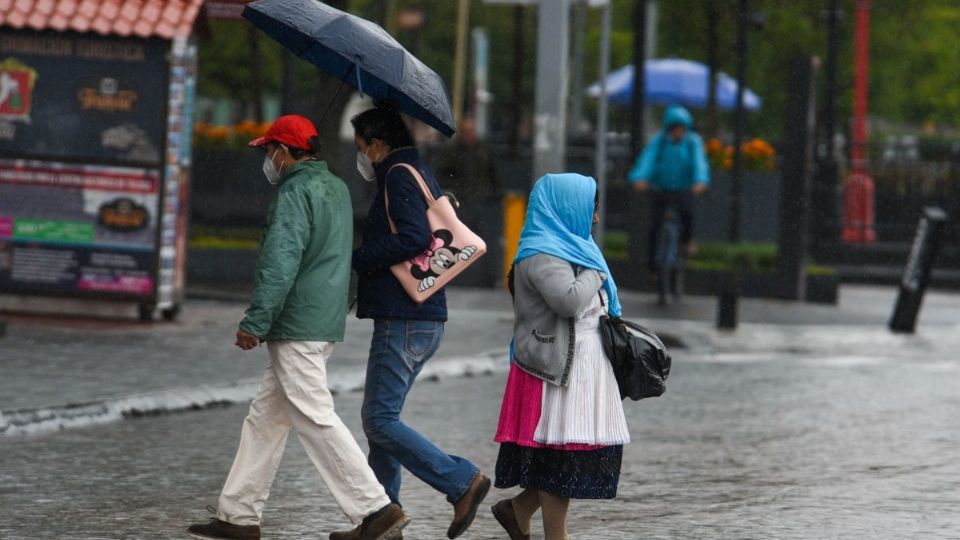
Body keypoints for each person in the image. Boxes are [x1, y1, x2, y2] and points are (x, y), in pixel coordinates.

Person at [187, 115, 407, 540]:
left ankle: (375, 508)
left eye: (269, 151)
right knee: (265, 419)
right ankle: (238, 514)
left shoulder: (294, 191)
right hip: (322, 318)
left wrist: (256, 321)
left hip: (297, 322)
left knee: (314, 415)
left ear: (284, 153)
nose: (267, 159)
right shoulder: (336, 188)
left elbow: (280, 261)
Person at [343, 103, 490, 540]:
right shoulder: (417, 170)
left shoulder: (397, 174)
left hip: (406, 316)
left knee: (379, 420)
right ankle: (383, 518)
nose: (362, 157)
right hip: (419, 316)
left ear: (378, 143)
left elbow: (414, 238)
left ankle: (461, 482)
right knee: (383, 421)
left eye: (362, 147)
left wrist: (360, 259)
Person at [492, 173, 630, 540]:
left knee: (569, 456)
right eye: (591, 210)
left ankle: (518, 511)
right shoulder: (542, 253)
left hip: (581, 368)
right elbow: (568, 301)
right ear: (568, 207)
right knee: (561, 458)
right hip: (555, 371)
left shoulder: (576, 248)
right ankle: (556, 536)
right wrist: (596, 271)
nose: (595, 219)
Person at [628, 104, 710, 271]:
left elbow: (699, 162)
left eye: (680, 128)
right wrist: (640, 177)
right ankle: (653, 269)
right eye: (673, 128)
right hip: (661, 188)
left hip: (684, 188)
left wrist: (700, 180)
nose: (677, 132)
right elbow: (647, 159)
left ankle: (687, 242)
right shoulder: (660, 141)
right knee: (654, 226)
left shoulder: (692, 142)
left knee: (688, 214)